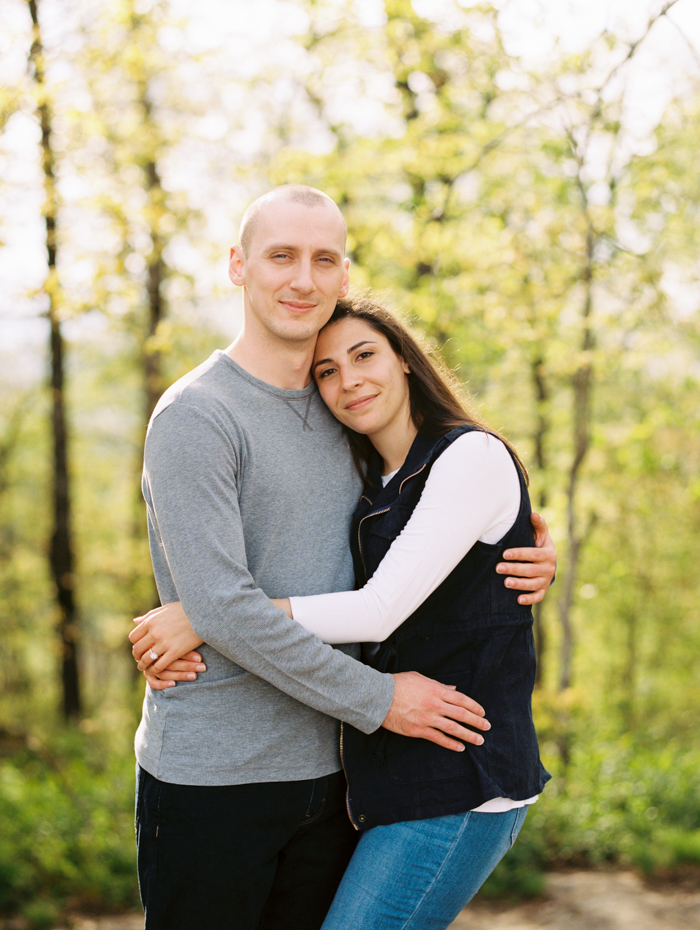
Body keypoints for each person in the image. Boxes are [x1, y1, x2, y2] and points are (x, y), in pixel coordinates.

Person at [129, 184, 556, 930]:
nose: (302, 279)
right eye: (281, 256)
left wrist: (529, 544)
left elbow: (428, 521)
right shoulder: (197, 416)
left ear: (344, 275)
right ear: (238, 266)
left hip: (336, 774)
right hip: (217, 773)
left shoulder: (346, 414)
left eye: (323, 259)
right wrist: (380, 699)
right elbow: (225, 604)